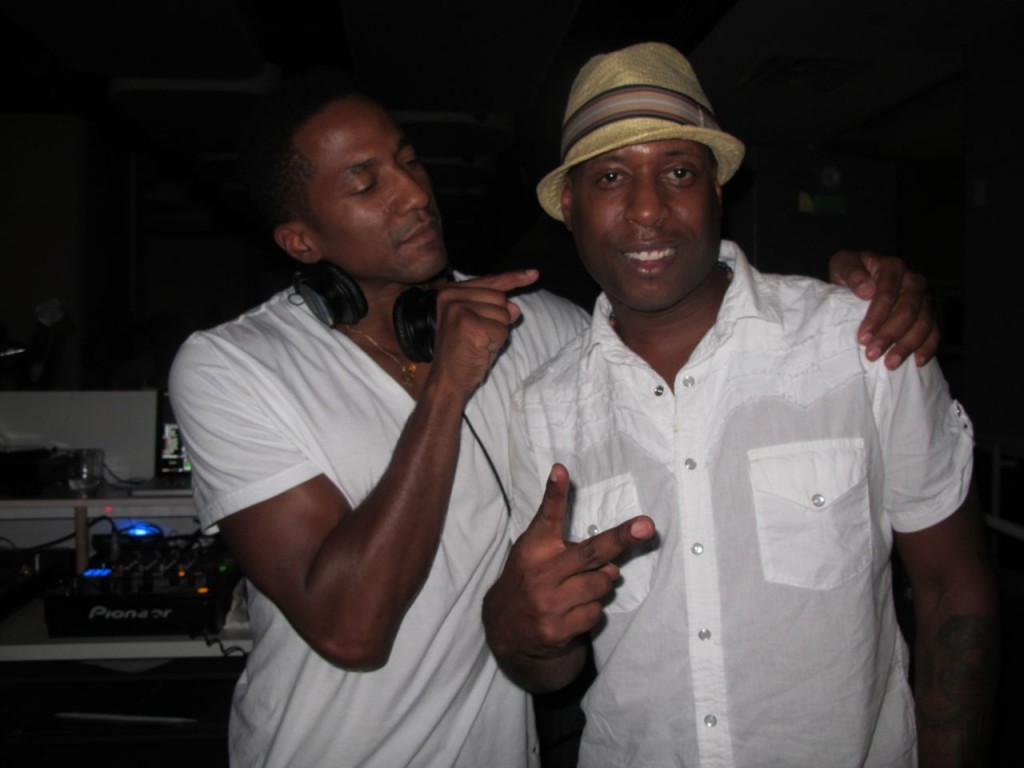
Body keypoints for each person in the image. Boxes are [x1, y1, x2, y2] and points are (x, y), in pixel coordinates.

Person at [168, 67, 939, 768]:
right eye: (367, 183)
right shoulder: (235, 367)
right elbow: (350, 628)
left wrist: (862, 295)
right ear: (301, 240)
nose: (413, 194)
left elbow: (664, 315)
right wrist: (446, 387)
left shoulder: (535, 324)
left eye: (409, 162)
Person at [482, 42, 998, 768]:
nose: (648, 209)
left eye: (679, 172)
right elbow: (555, 668)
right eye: (610, 177)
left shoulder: (861, 343)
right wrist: (521, 635)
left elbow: (952, 588)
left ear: (717, 189)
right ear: (570, 205)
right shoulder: (543, 409)